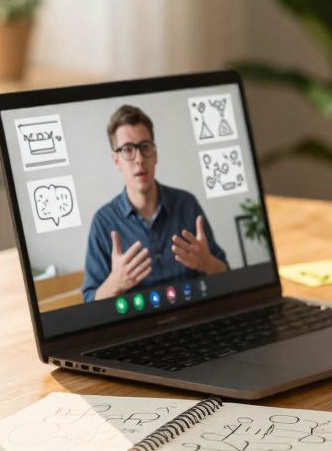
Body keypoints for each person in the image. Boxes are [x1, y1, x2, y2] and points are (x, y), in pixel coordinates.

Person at [82, 105, 229, 303]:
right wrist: (114, 284)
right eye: (127, 150)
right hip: (136, 327)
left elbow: (226, 274)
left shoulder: (187, 204)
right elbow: (90, 303)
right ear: (116, 160)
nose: (140, 159)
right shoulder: (103, 222)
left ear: (155, 153)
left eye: (145, 147)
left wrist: (207, 263)